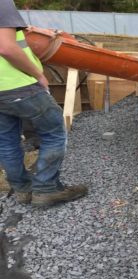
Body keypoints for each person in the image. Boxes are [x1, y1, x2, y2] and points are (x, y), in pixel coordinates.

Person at [0, 0, 88, 206]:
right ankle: (46, 188)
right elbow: (6, 48)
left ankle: (22, 190)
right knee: (54, 131)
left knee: (6, 140)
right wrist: (38, 73)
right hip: (18, 84)